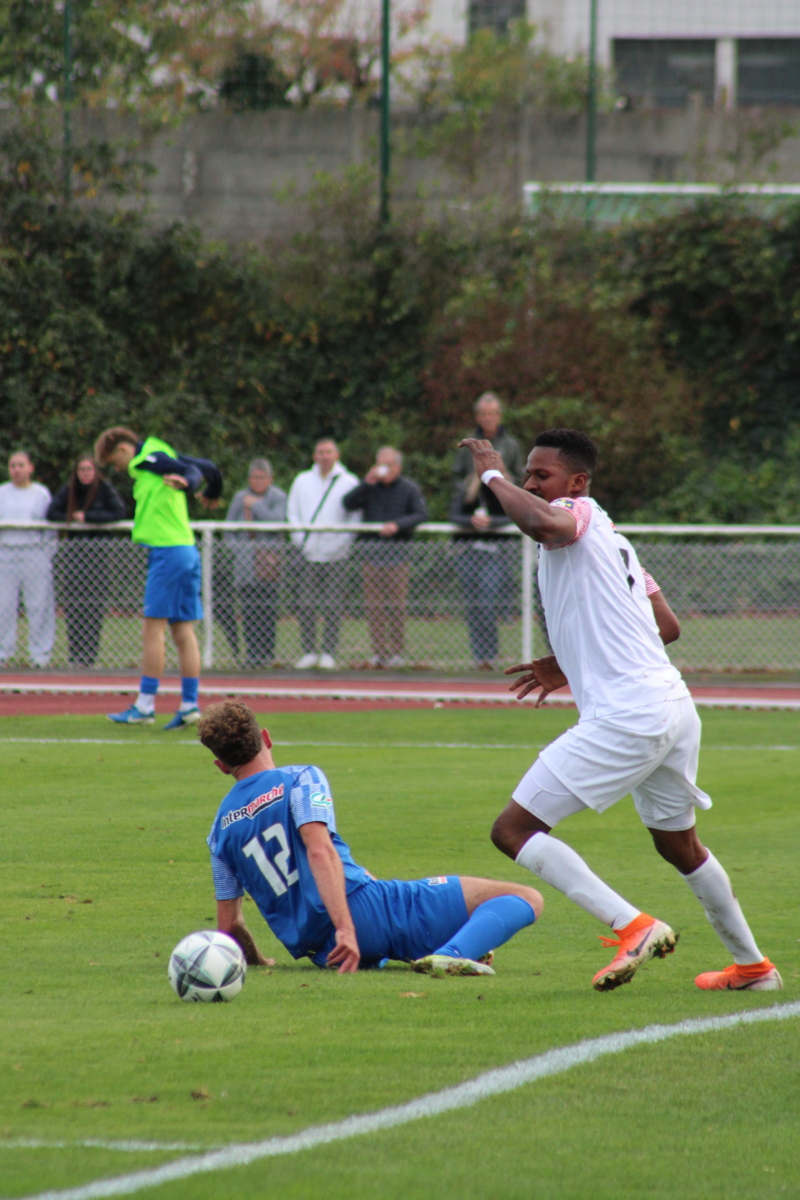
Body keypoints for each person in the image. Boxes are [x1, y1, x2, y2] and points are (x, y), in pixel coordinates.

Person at [458, 427, 782, 993]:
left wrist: (492, 473)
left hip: (628, 713)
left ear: (577, 483)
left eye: (541, 474)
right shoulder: (619, 543)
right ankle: (753, 969)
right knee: (678, 845)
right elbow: (666, 626)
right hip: (672, 705)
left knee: (512, 830)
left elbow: (543, 523)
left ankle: (633, 925)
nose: (530, 483)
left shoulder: (576, 513)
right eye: (527, 474)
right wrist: (571, 660)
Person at [200, 700, 542, 975]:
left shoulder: (219, 831)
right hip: (363, 912)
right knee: (525, 897)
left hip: (325, 951)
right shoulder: (300, 779)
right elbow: (319, 851)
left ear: (221, 765)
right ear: (266, 737)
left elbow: (229, 926)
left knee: (416, 916)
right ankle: (452, 955)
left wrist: (260, 961)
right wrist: (346, 928)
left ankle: (450, 948)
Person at [94, 427, 222, 729]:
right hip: (186, 549)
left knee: (152, 630)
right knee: (183, 630)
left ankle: (145, 706)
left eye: (114, 462)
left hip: (168, 552)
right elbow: (209, 468)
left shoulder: (146, 460)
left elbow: (192, 472)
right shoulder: (161, 452)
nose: (118, 469)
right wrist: (211, 491)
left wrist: (189, 483)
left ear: (123, 450)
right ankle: (189, 706)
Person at [450, 394, 523, 669]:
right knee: (472, 603)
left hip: (498, 542)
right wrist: (474, 478)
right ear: (477, 417)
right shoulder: (466, 446)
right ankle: (478, 657)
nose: (488, 418)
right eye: (483, 414)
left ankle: (491, 655)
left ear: (499, 416)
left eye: (492, 414)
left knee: (488, 599)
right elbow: (457, 483)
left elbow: (520, 483)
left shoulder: (511, 445)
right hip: (468, 542)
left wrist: (498, 475)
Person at [342, 447, 427, 668]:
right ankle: (379, 653)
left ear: (398, 467)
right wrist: (366, 483)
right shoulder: (370, 488)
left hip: (398, 557)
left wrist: (397, 525)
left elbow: (420, 514)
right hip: (371, 557)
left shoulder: (409, 488)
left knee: (397, 606)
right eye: (381, 464)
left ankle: (397, 653)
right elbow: (347, 503)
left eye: (388, 465)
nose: (383, 469)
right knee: (374, 607)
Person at [47, 454, 127, 667]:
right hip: (74, 558)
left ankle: (89, 656)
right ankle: (75, 655)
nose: (85, 473)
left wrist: (89, 517)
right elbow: (52, 512)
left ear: (95, 471)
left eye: (89, 469)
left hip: (98, 559)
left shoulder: (104, 489)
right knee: (74, 607)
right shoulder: (69, 489)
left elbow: (119, 512)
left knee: (94, 607)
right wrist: (72, 517)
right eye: (81, 469)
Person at [287, 439, 360, 670]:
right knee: (305, 603)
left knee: (333, 605)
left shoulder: (349, 482)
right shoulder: (302, 480)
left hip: (337, 555)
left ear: (336, 455)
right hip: (308, 553)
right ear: (314, 456)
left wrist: (340, 545)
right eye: (320, 452)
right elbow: (293, 513)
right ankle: (309, 651)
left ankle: (329, 652)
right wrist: (301, 541)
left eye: (329, 452)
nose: (325, 456)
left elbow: (355, 518)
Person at [225, 458, 287, 667]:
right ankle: (251, 655)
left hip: (269, 564)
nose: (258, 481)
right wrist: (238, 550)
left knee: (268, 611)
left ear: (270, 479)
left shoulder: (278, 497)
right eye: (254, 477)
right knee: (248, 611)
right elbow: (228, 529)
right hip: (245, 564)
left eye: (262, 477)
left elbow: (277, 522)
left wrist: (256, 505)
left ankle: (267, 656)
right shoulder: (239, 497)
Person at [0, 451, 56, 667]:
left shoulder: (41, 493)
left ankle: (40, 655)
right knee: (4, 606)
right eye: (12, 465)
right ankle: (3, 653)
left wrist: (45, 554)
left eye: (21, 465)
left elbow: (50, 529)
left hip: (34, 553)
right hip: (6, 553)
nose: (16, 470)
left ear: (30, 467)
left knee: (39, 605)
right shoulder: (2, 492)